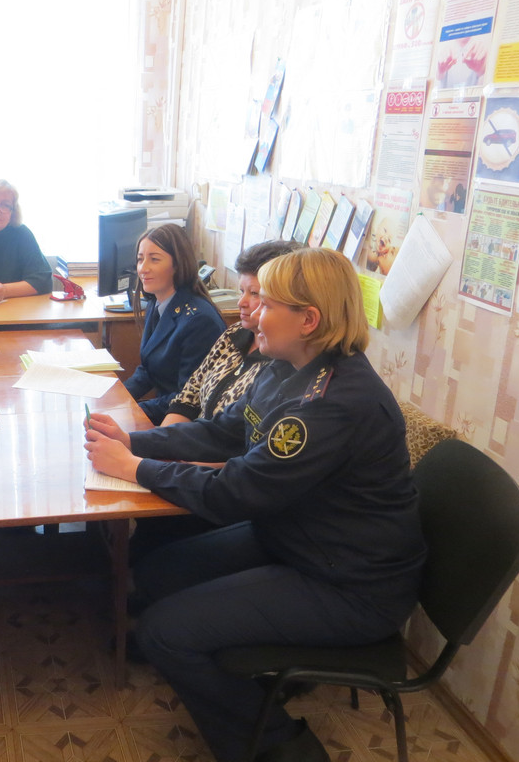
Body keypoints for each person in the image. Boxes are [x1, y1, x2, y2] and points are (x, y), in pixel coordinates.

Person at [84, 247, 426, 762]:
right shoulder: (285, 366)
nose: (251, 313)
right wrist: (134, 442)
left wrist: (134, 469)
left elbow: (233, 492)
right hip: (298, 539)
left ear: (308, 320)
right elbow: (223, 432)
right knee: (158, 572)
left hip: (349, 584)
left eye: (265, 303)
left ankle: (282, 749)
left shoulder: (331, 405)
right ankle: (244, 677)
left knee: (164, 632)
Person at [128, 239, 300, 563]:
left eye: (258, 295)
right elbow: (189, 398)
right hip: (194, 461)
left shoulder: (283, 365)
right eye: (242, 291)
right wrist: (158, 449)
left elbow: (244, 460)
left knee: (152, 555)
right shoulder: (234, 336)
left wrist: (165, 465)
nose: (243, 303)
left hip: (218, 482)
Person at [123, 223, 225, 424]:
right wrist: (117, 398)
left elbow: (189, 397)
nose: (143, 268)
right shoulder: (158, 302)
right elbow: (149, 370)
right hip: (162, 411)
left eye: (154, 259)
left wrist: (132, 410)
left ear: (178, 264)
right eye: (140, 259)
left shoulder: (199, 321)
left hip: (184, 422)